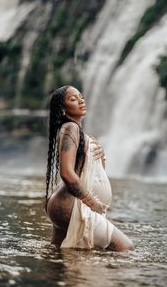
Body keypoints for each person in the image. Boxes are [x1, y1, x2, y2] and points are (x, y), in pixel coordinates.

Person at [45, 85, 134, 251]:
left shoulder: (77, 132)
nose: (81, 101)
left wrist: (100, 153)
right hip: (71, 205)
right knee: (126, 248)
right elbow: (66, 173)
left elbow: (89, 171)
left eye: (81, 97)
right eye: (73, 99)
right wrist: (94, 204)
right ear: (63, 111)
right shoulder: (71, 128)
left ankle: (56, 277)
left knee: (56, 254)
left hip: (65, 204)